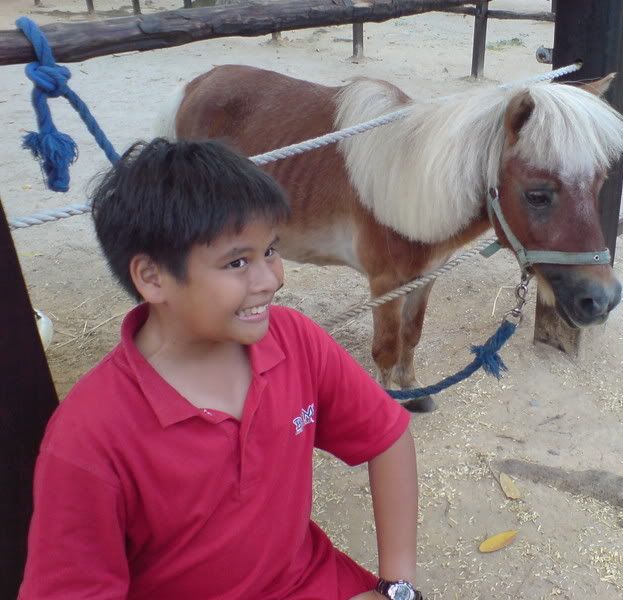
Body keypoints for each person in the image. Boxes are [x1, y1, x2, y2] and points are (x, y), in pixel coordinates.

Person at [19, 138, 423, 600]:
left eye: (270, 250)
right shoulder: (89, 438)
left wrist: (398, 586)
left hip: (313, 582)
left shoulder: (293, 340)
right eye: (237, 262)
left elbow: (386, 435)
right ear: (152, 277)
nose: (271, 279)